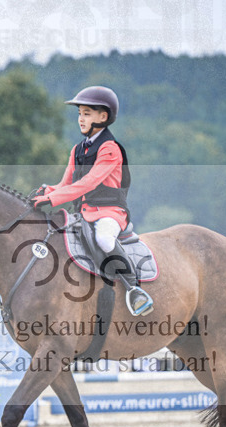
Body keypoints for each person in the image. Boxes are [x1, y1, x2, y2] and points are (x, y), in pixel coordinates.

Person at [32, 86, 153, 316]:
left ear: (103, 117)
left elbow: (88, 184)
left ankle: (134, 289)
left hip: (110, 212)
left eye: (86, 113)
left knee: (104, 239)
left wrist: (53, 199)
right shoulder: (77, 149)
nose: (80, 119)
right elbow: (65, 184)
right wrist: (46, 191)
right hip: (84, 213)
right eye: (79, 113)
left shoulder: (110, 149)